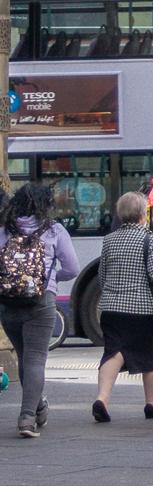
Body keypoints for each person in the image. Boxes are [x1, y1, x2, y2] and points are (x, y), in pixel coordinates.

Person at [1, 184, 79, 438]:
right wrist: (50, 277)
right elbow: (72, 267)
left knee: (25, 357)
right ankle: (26, 419)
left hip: (8, 303)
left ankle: (39, 407)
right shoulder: (54, 230)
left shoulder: (4, 230)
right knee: (35, 360)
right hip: (41, 301)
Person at [91, 192, 153, 424]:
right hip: (143, 309)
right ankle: (151, 403)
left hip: (112, 309)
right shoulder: (152, 240)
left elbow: (102, 277)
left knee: (114, 351)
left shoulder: (109, 240)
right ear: (143, 213)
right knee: (149, 352)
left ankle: (102, 399)